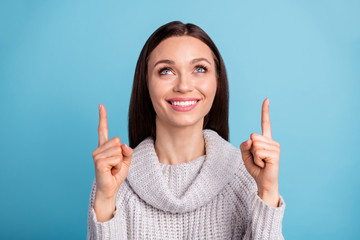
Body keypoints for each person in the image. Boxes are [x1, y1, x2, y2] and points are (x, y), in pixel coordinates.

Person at [87, 21, 285, 239]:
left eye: (199, 69)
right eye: (166, 71)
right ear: (146, 83)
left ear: (217, 82)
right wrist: (106, 199)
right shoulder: (114, 179)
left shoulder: (248, 175)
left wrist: (267, 192)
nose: (183, 86)